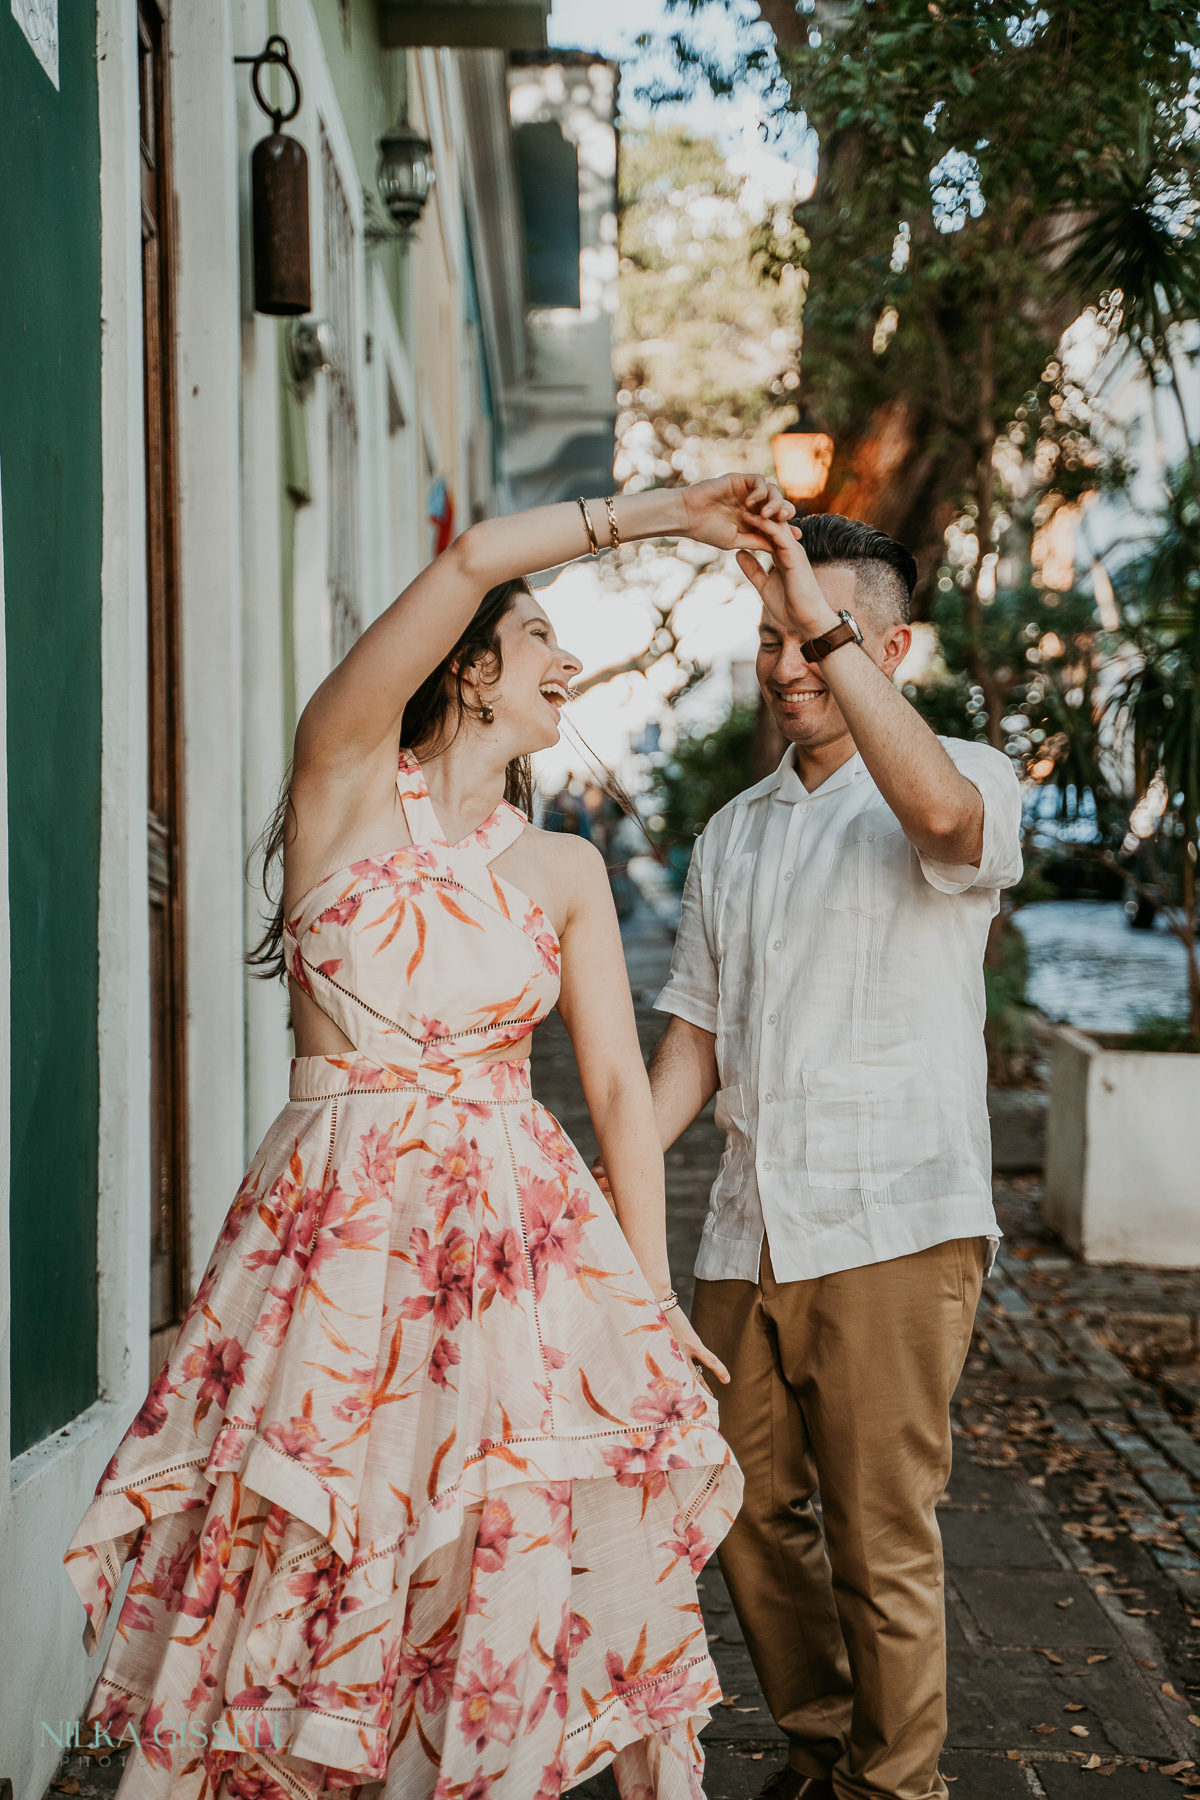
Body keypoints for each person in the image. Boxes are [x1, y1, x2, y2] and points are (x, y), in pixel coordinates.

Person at [61, 479, 799, 1800]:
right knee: (312, 1540)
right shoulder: (343, 782)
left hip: (511, 1253)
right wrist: (666, 513)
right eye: (539, 643)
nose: (569, 662)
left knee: (488, 1544)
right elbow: (469, 558)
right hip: (331, 1249)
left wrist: (644, 1290)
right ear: (468, 670)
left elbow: (621, 1096)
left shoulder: (564, 870)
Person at [610, 511, 1023, 1800]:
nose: (788, 665)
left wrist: (820, 621)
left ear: (884, 645)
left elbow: (947, 821)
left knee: (878, 1534)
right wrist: (587, 1156)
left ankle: (895, 1786)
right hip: (746, 1233)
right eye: (770, 641)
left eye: (817, 638)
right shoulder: (731, 830)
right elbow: (693, 1042)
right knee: (734, 1506)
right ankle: (821, 1742)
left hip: (895, 1222)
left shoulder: (964, 771)